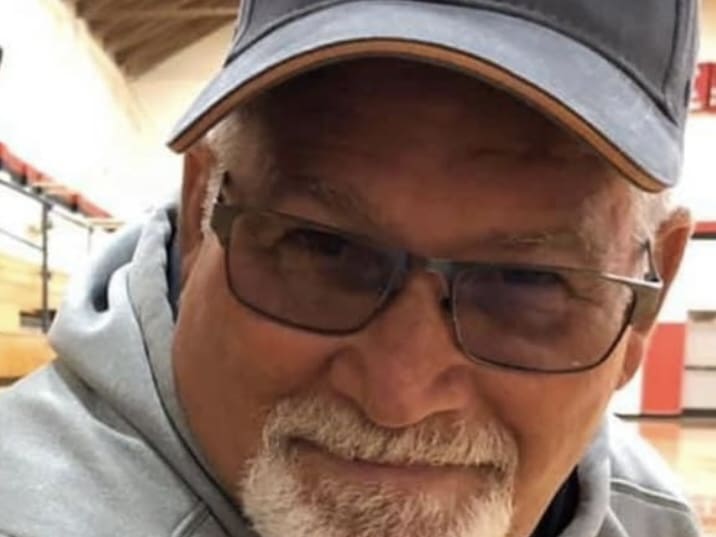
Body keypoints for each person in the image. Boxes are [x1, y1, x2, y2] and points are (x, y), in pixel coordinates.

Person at [0, 1, 704, 536]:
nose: (399, 395)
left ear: (648, 299)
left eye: (527, 284)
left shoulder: (649, 516)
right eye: (323, 249)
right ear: (199, 209)